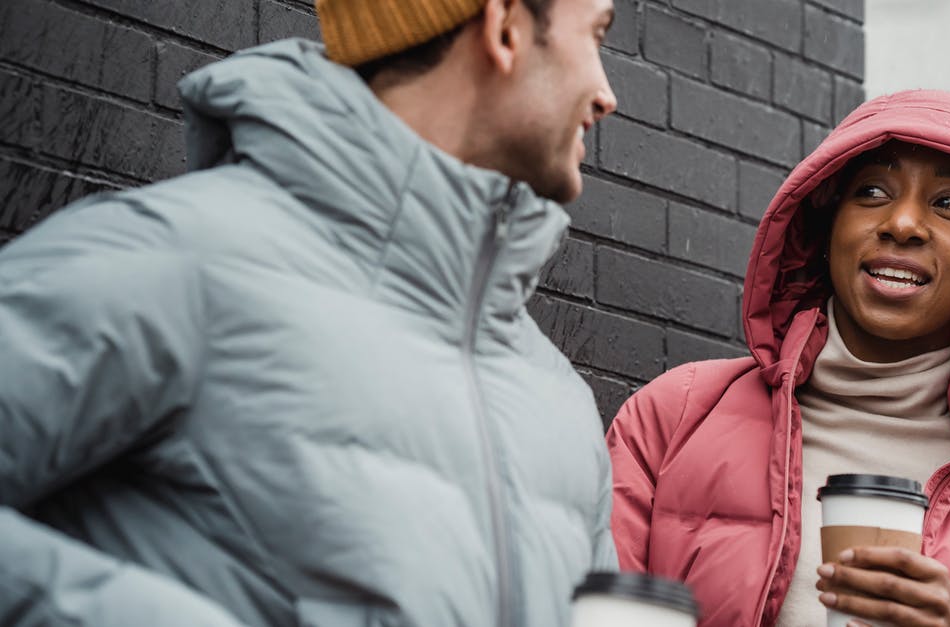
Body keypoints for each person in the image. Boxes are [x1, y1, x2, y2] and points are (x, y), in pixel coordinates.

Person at [0, 0, 618, 624]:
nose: (606, 94)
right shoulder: (174, 264)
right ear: (505, 27)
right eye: (595, 33)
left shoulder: (559, 399)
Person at [606, 90, 950, 626]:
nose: (903, 223)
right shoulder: (671, 420)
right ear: (825, 231)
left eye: (949, 204)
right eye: (872, 192)